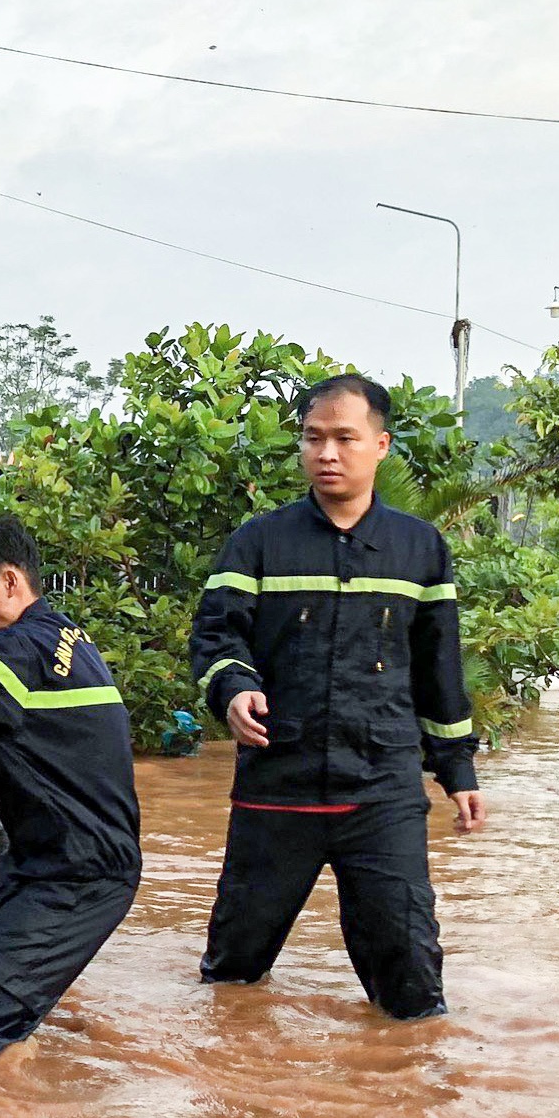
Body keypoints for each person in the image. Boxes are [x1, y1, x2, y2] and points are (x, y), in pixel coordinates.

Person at [186, 372, 486, 1020]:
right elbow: (216, 635)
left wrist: (457, 771)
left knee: (411, 989)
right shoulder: (259, 542)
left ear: (380, 444)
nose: (326, 453)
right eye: (312, 438)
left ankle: (406, 1080)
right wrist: (234, 690)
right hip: (277, 787)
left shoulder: (420, 548)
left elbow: (439, 669)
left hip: (382, 792)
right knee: (232, 977)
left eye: (344, 438)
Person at [0, 517, 142, 1075]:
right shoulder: (60, 636)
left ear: (8, 582)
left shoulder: (19, 651)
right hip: (45, 866)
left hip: (80, 877)